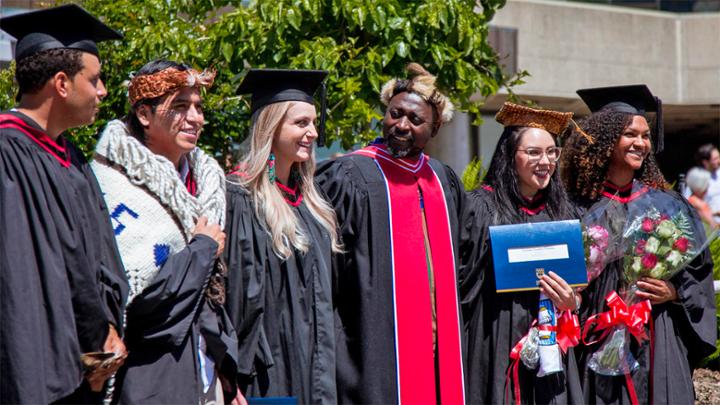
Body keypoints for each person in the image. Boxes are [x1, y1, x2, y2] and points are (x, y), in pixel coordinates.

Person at [90, 59, 241, 404]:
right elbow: (139, 305)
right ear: (144, 115)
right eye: (180, 107)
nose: (196, 118)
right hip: (151, 374)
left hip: (204, 366)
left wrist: (226, 376)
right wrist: (202, 248)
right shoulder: (113, 186)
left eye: (199, 108)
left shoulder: (208, 181)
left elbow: (212, 296)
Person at [316, 63, 465, 404]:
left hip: (435, 352)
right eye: (395, 114)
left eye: (415, 120)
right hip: (372, 345)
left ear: (435, 127)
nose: (401, 125)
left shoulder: (442, 181)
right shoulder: (351, 174)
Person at [0, 5, 127, 403]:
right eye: (94, 79)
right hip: (32, 372)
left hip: (81, 367)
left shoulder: (69, 157)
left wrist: (101, 345)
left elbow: (95, 258)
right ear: (61, 83)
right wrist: (94, 343)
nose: (102, 90)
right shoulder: (8, 153)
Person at [561, 84, 716, 404]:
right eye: (631, 134)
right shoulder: (575, 207)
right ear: (606, 140)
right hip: (596, 336)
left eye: (646, 136)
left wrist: (674, 293)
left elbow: (699, 275)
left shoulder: (668, 207)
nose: (641, 143)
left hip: (656, 337)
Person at [224, 69, 341, 403]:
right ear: (271, 127)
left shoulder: (311, 203)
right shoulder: (242, 197)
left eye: (314, 123)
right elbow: (236, 298)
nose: (313, 133)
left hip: (316, 370)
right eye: (301, 124)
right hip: (269, 373)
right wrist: (231, 375)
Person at [460, 102, 584, 404]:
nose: (545, 161)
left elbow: (582, 288)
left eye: (552, 152)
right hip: (494, 336)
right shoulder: (480, 208)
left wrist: (573, 301)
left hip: (550, 342)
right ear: (509, 156)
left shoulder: (563, 212)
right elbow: (459, 282)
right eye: (533, 152)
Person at [693, 144, 720, 220]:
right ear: (705, 162)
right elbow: (690, 208)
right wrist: (715, 213)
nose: (719, 161)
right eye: (715, 159)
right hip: (711, 228)